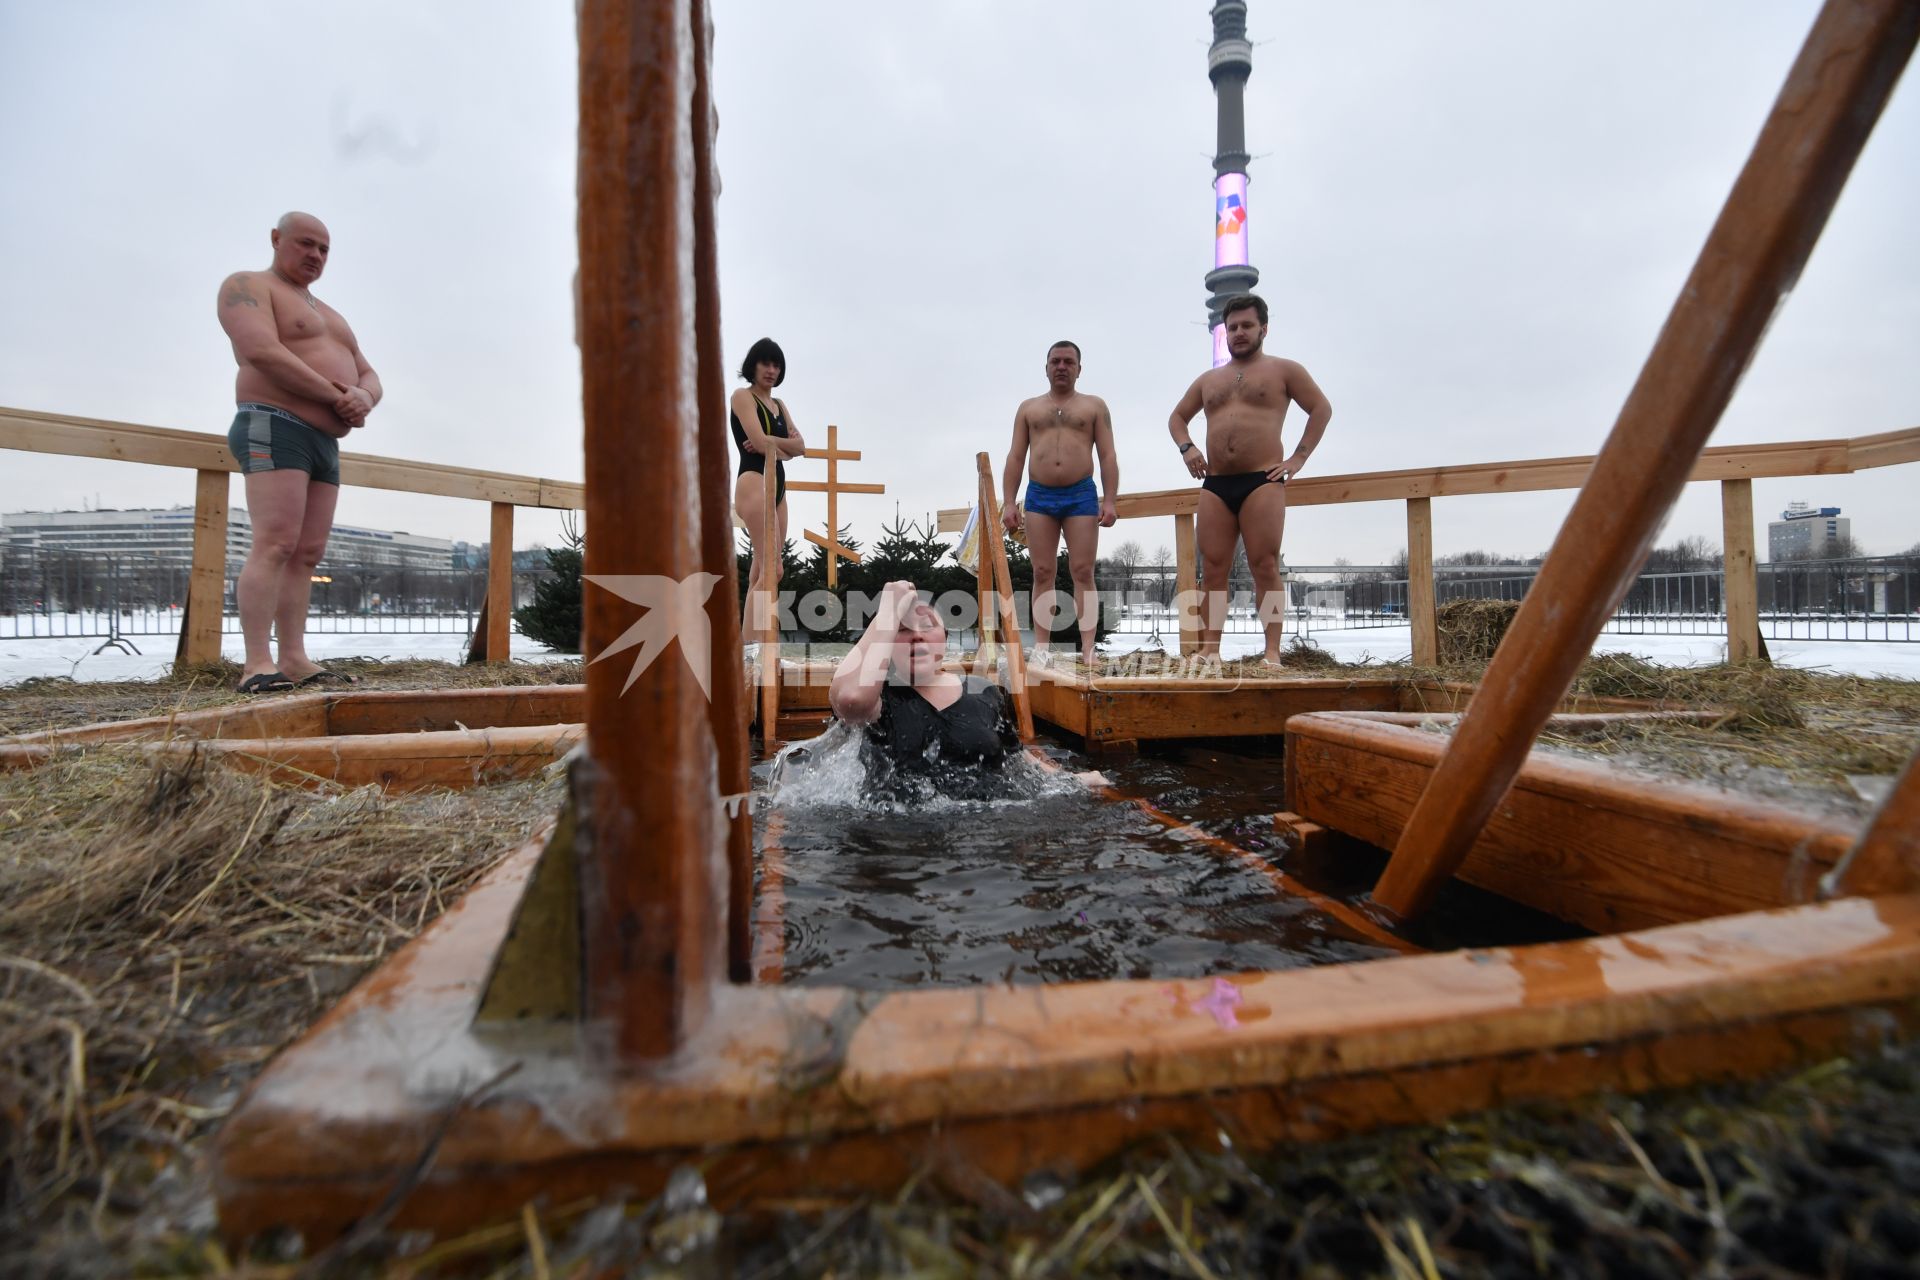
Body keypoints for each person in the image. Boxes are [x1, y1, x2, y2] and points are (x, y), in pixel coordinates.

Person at [217, 212, 382, 693]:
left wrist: (364, 397)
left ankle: (293, 658)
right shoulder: (247, 285)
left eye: (324, 249)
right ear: (277, 239)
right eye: (306, 243)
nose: (315, 255)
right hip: (275, 424)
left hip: (324, 443)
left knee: (307, 554)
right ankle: (256, 664)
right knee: (276, 543)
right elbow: (260, 350)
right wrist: (336, 397)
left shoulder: (332, 316)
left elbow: (369, 373)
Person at [1167, 294, 1331, 664]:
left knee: (1265, 564)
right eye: (1233, 327)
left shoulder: (1284, 370)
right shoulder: (1209, 379)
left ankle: (1272, 651)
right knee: (1212, 569)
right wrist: (1187, 448)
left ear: (1264, 329)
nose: (1239, 333)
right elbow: (1177, 418)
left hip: (1263, 480)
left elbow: (1321, 408)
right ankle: (1210, 650)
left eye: (1247, 326)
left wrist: (1299, 457)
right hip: (1216, 484)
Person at [830, 580, 1020, 799]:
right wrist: (888, 612)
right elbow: (851, 700)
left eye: (928, 626)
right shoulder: (878, 698)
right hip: (895, 828)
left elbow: (1017, 758)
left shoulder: (983, 689)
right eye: (902, 629)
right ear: (885, 644)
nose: (917, 635)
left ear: (945, 638)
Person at [1000, 340, 1118, 665]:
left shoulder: (1094, 406)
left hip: (1080, 494)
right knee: (1042, 571)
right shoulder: (1029, 408)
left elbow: (1107, 455)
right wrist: (1009, 502)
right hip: (1040, 495)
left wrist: (1109, 499)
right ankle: (1041, 646)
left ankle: (1089, 649)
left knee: (1082, 570)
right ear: (1046, 367)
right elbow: (1015, 456)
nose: (1062, 366)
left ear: (1079, 368)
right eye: (1056, 361)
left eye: (1068, 361)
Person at [731, 337, 807, 640]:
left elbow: (801, 447)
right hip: (753, 481)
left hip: (778, 488)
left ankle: (749, 648)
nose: (771, 370)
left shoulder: (779, 405)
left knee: (761, 571)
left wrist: (772, 443)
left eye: (776, 364)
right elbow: (758, 444)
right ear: (754, 365)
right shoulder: (742, 396)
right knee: (773, 570)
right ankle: (753, 652)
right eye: (766, 363)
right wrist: (776, 445)